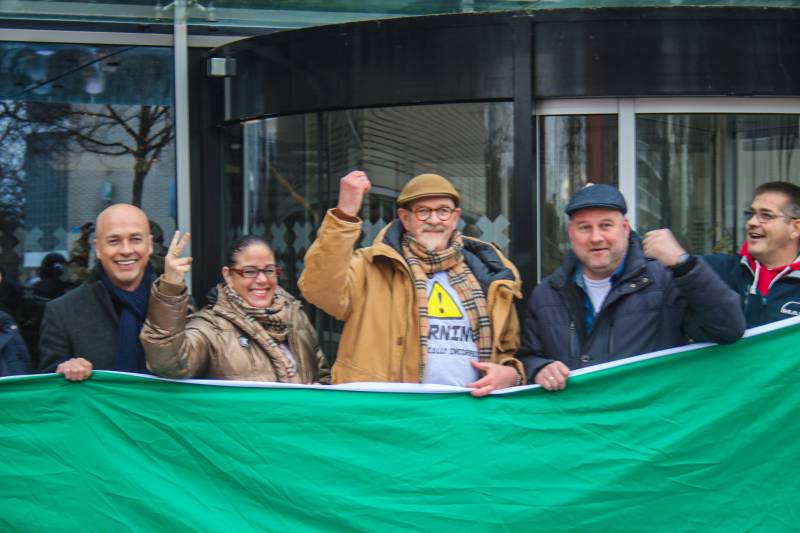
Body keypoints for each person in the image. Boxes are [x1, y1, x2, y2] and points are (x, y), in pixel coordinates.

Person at [299, 171, 524, 396]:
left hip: (468, 414)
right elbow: (319, 288)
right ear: (405, 218)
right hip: (390, 414)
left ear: (455, 217)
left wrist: (510, 374)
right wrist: (344, 215)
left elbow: (507, 349)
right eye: (423, 211)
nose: (434, 220)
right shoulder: (371, 266)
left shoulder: (488, 274)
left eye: (443, 211)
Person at [517, 184, 745, 392]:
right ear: (570, 233)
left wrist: (685, 264)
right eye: (584, 227)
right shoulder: (547, 293)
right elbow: (528, 357)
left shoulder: (666, 281)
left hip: (645, 429)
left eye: (606, 226)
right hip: (577, 430)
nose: (596, 237)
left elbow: (728, 329)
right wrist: (539, 368)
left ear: (625, 228)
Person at [141, 233, 330, 383]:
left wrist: (318, 393)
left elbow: (323, 376)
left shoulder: (296, 317)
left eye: (269, 270)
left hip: (298, 429)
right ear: (228, 275)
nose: (262, 280)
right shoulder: (211, 328)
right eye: (250, 271)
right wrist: (170, 287)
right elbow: (170, 363)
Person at [647, 182, 800, 328]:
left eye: (766, 215)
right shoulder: (715, 271)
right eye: (751, 214)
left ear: (796, 228)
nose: (752, 222)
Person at [37, 204, 156, 381]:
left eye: (135, 239)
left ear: (150, 245)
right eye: (114, 241)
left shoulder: (180, 305)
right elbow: (48, 395)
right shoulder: (62, 313)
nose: (126, 250)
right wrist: (61, 372)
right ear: (98, 248)